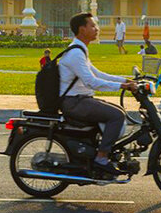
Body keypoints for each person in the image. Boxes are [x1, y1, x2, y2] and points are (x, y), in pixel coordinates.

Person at [59, 12, 138, 176]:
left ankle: (100, 150)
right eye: (93, 26)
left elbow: (98, 74)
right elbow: (91, 82)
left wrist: (126, 80)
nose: (97, 29)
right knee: (116, 116)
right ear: (82, 30)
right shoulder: (75, 53)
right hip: (74, 103)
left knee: (118, 112)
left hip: (81, 100)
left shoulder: (80, 50)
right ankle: (101, 158)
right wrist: (123, 86)